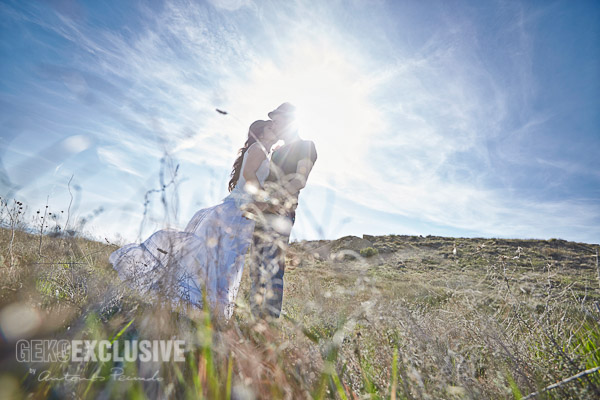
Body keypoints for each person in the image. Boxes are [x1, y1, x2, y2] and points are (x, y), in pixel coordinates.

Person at [110, 120, 278, 321]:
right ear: (260, 132)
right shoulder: (258, 148)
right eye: (270, 127)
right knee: (219, 261)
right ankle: (200, 307)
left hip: (242, 213)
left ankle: (206, 310)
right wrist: (265, 200)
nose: (274, 129)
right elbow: (249, 174)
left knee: (223, 262)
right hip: (237, 212)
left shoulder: (262, 151)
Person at [249, 103, 317, 319]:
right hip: (262, 213)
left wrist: (270, 200)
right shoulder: (276, 151)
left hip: (281, 212)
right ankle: (254, 320)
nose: (274, 124)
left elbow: (300, 179)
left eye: (277, 120)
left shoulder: (306, 146)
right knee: (256, 266)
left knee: (273, 266)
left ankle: (268, 322)